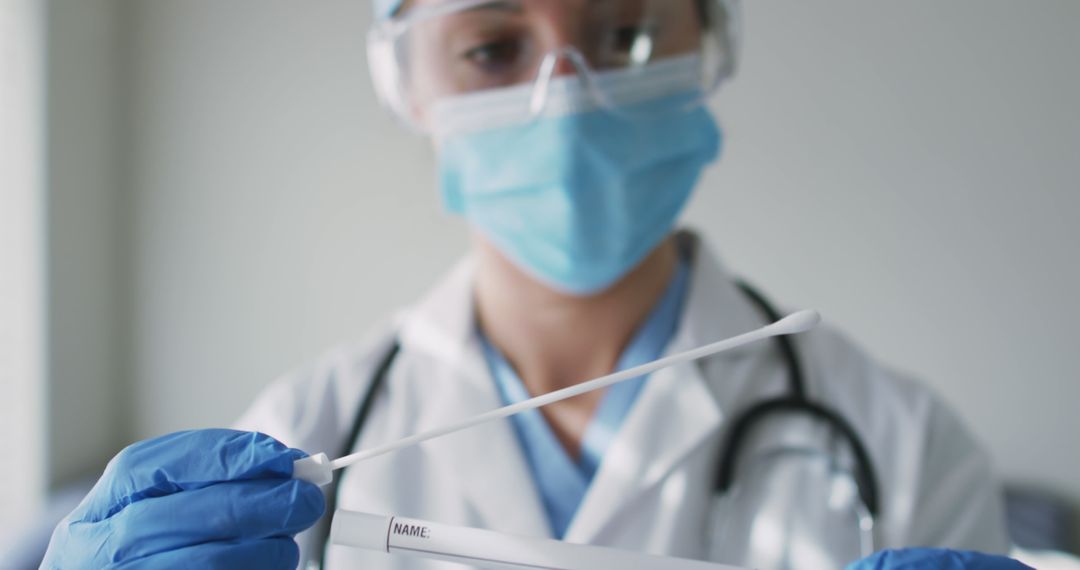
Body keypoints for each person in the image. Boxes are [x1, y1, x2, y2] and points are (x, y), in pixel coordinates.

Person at [42, 1, 1032, 569]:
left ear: (708, 44)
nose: (563, 95)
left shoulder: (905, 454)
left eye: (625, 32)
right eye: (493, 47)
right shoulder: (305, 433)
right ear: (408, 86)